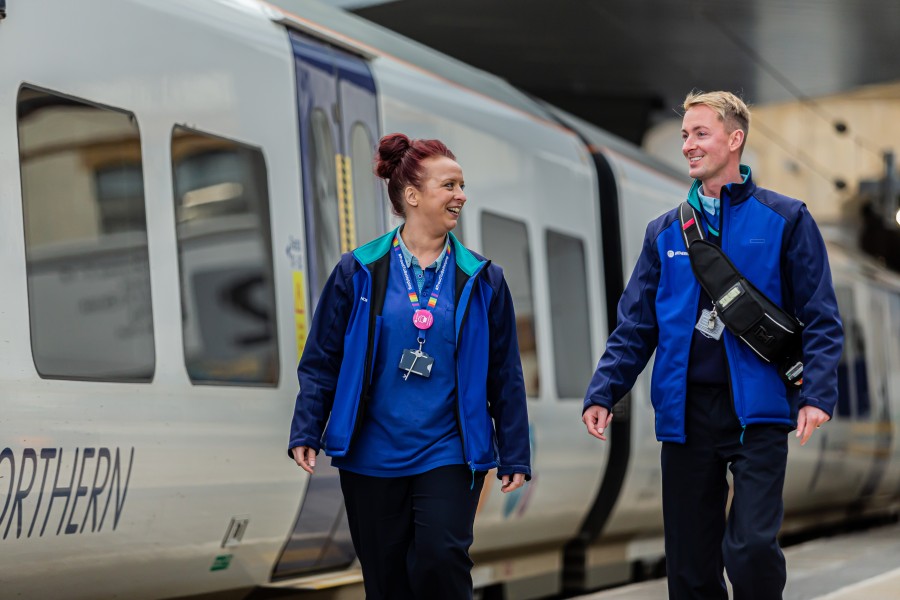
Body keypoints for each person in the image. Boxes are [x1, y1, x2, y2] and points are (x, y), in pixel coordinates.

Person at [582, 90, 843, 600]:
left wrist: (816, 394)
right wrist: (603, 391)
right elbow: (636, 325)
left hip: (758, 411)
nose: (688, 145)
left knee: (749, 551)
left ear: (734, 138)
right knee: (690, 568)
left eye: (700, 133)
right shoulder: (664, 232)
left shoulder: (786, 219)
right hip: (685, 414)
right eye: (684, 135)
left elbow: (820, 315)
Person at [288, 133, 531, 600]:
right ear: (413, 196)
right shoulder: (357, 270)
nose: (461, 195)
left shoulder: (483, 280)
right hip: (370, 452)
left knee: (442, 558)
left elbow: (505, 373)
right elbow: (322, 360)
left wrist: (514, 452)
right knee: (386, 579)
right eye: (450, 185)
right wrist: (306, 428)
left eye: (462, 185)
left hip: (448, 450)